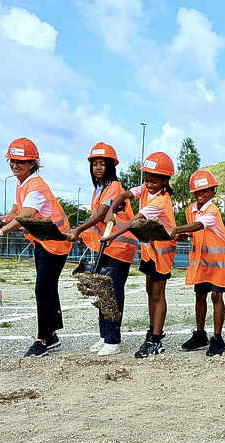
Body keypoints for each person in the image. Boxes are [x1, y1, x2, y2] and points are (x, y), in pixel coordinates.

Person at [0, 138, 73, 357]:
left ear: (33, 163)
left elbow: (26, 216)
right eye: (12, 161)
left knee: (43, 288)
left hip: (56, 242)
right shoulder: (22, 182)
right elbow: (16, 211)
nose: (15, 165)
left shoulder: (36, 187)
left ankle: (44, 339)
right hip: (42, 241)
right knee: (47, 287)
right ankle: (51, 336)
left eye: (21, 162)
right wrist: (2, 219)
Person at [64, 142, 138, 356]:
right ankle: (104, 336)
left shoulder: (114, 187)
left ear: (110, 166)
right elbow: (97, 221)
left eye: (102, 164)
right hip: (106, 247)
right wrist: (83, 235)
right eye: (94, 164)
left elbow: (100, 214)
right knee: (101, 290)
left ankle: (113, 340)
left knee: (112, 293)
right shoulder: (100, 189)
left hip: (119, 247)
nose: (97, 167)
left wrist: (78, 230)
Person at [102, 152, 177, 358]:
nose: (149, 183)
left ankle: (156, 339)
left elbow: (135, 221)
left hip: (162, 252)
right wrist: (112, 208)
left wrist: (112, 234)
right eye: (147, 178)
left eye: (154, 180)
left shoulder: (161, 201)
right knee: (149, 291)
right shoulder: (145, 188)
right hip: (149, 250)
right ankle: (152, 330)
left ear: (165, 180)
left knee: (158, 293)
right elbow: (125, 195)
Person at [169, 170, 225, 357]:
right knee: (199, 296)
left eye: (205, 191)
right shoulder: (191, 210)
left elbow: (200, 225)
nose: (201, 195)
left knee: (216, 297)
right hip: (202, 261)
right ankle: (200, 334)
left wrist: (176, 229)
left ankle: (218, 338)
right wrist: (184, 235)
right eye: (197, 192)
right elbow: (195, 231)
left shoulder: (212, 211)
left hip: (219, 261)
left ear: (213, 192)